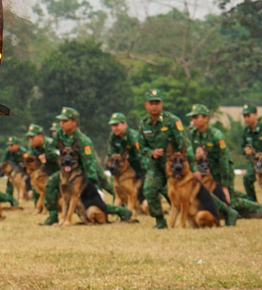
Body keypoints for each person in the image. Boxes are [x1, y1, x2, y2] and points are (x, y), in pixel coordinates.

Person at [51, 107, 132, 223]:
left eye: (65, 121)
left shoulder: (83, 140)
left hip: (86, 170)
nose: (61, 124)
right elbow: (52, 148)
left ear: (74, 122)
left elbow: (89, 164)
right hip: (69, 170)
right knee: (51, 184)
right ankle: (53, 217)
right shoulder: (60, 134)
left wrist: (94, 183)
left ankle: (120, 210)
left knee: (93, 197)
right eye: (61, 121)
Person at [139, 89, 198, 229]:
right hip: (156, 165)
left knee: (191, 193)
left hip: (175, 165)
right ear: (146, 105)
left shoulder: (172, 121)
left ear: (162, 104)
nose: (154, 106)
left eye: (157, 103)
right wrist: (151, 152)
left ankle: (226, 211)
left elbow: (185, 145)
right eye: (151, 103)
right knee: (149, 189)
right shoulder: (144, 124)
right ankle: (160, 221)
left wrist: (193, 168)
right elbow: (142, 148)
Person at [187, 104, 254, 224]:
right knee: (207, 195)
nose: (194, 120)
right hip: (206, 171)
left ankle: (254, 208)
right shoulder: (194, 134)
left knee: (229, 199)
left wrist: (224, 186)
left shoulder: (216, 136)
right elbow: (191, 154)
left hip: (222, 171)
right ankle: (226, 211)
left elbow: (224, 162)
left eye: (197, 117)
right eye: (193, 117)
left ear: (206, 119)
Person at [25, 123, 59, 225]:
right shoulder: (33, 147)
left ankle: (48, 210)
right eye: (29, 138)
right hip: (45, 171)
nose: (30, 140)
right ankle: (40, 209)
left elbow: (59, 158)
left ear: (41, 136)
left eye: (32, 137)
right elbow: (29, 158)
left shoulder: (50, 144)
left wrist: (46, 159)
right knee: (37, 188)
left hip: (57, 170)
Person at [107, 112, 147, 178]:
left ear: (125, 124)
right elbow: (111, 153)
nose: (114, 128)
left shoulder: (133, 136)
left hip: (138, 167)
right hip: (121, 167)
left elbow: (140, 155)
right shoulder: (113, 136)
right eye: (112, 126)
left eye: (116, 125)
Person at [0, 136, 28, 206]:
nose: (10, 147)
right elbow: (4, 163)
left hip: (22, 169)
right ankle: (9, 199)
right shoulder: (7, 152)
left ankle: (25, 196)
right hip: (12, 170)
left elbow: (27, 162)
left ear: (17, 145)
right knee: (10, 184)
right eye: (9, 145)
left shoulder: (23, 151)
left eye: (12, 145)